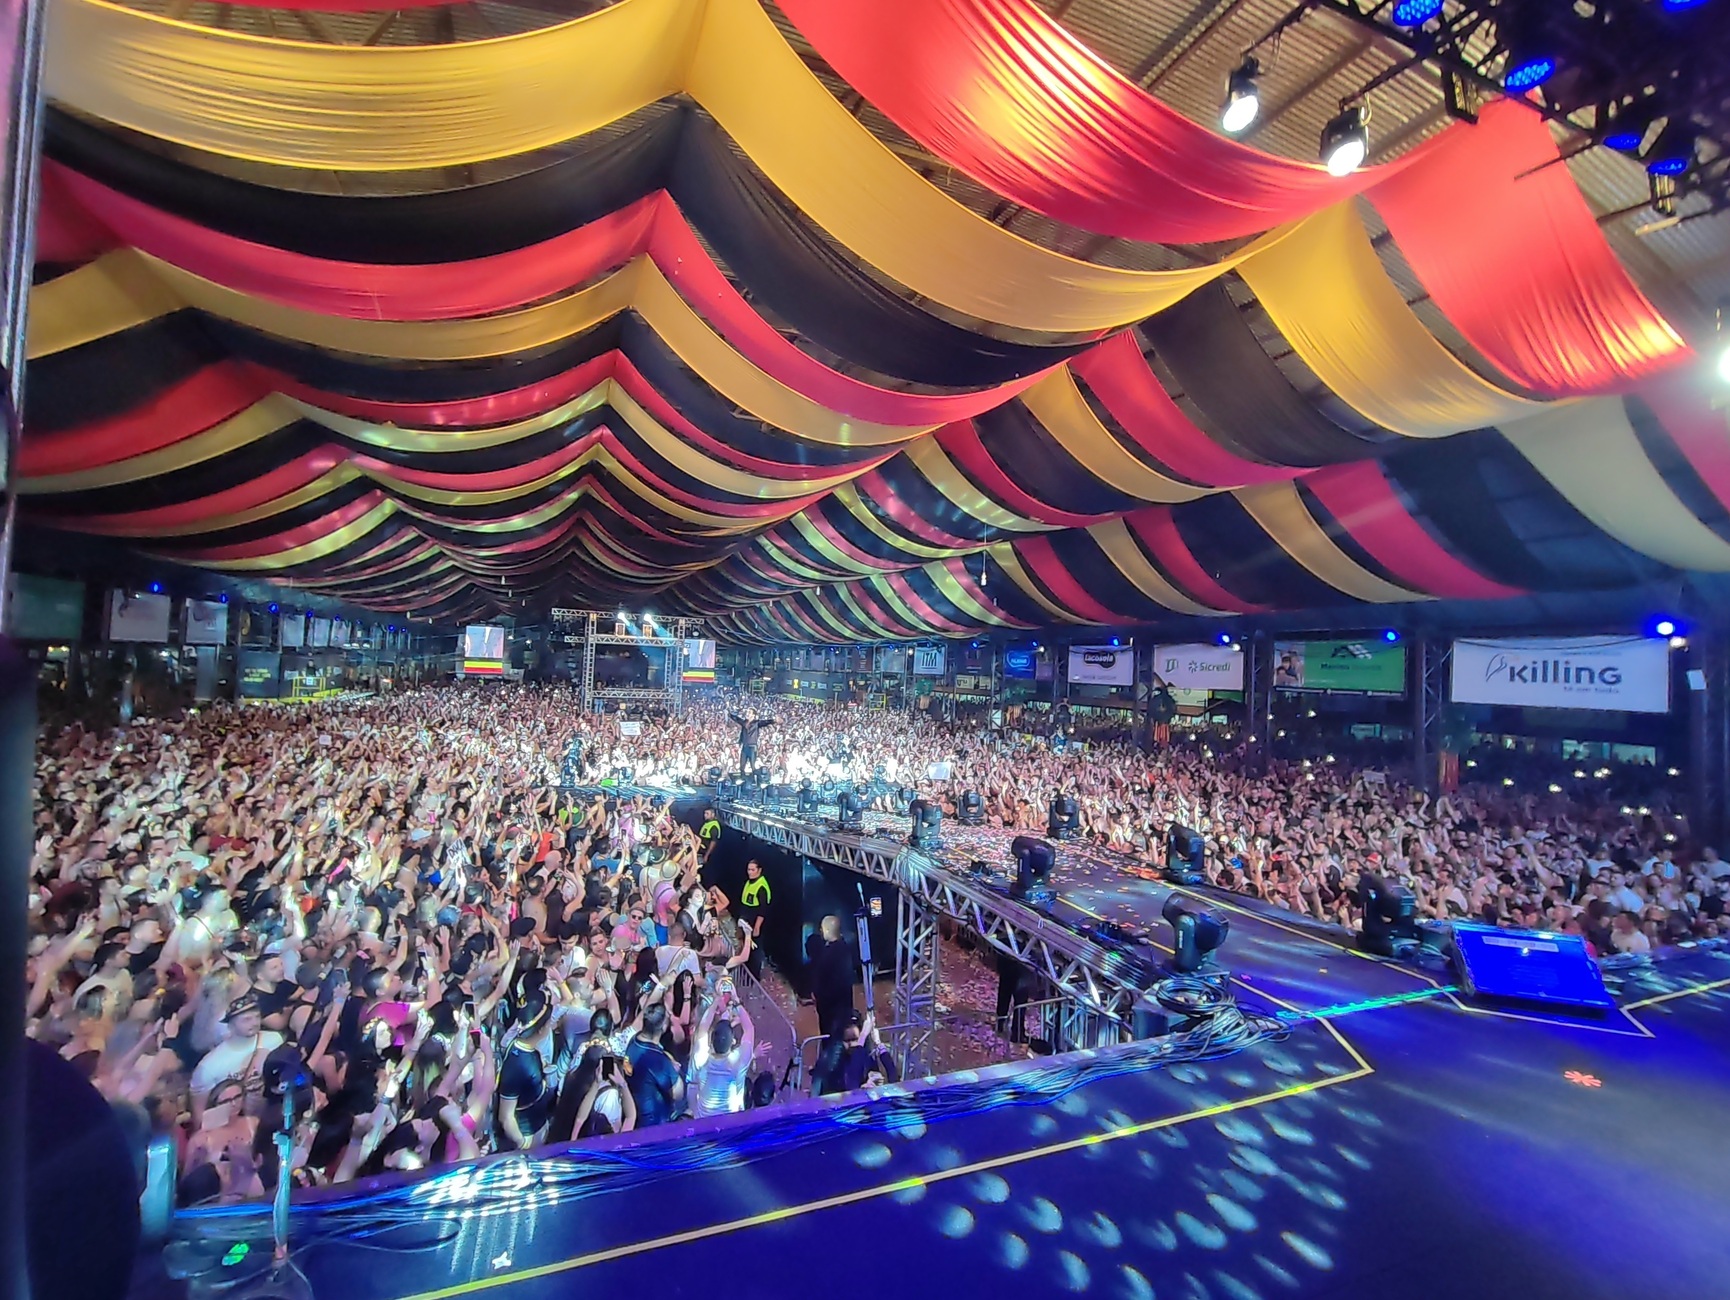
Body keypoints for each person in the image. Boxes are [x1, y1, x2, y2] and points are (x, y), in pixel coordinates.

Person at [496, 998, 558, 1151]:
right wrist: (523, 1143)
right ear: (541, 1030)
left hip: (538, 1121)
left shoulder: (523, 1046)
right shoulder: (518, 1065)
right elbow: (505, 1116)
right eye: (548, 1023)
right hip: (528, 1133)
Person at [688, 984, 754, 1118]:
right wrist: (736, 1000)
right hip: (730, 1124)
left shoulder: (701, 1058)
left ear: (711, 1040)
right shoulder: (738, 1061)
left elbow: (702, 1029)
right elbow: (749, 1029)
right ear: (733, 1042)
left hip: (703, 1123)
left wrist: (715, 1002)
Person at [625, 1004, 685, 1127]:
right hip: (653, 1123)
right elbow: (678, 1094)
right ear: (663, 1026)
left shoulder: (634, 1041)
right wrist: (675, 1071)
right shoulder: (658, 1061)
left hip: (635, 1110)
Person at [806, 915, 855, 1036]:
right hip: (842, 1004)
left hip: (830, 1007)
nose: (821, 931)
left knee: (830, 1036)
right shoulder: (845, 948)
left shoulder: (827, 955)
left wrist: (817, 994)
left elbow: (824, 978)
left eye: (822, 928)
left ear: (827, 930)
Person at [737, 860, 772, 980]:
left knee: (755, 950)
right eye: (748, 870)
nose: (750, 872)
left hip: (754, 923)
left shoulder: (762, 887)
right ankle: (745, 972)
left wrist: (757, 926)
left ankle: (754, 977)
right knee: (745, 947)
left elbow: (763, 910)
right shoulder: (749, 882)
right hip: (745, 920)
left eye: (752, 870)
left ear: (759, 870)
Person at [727, 709, 776, 777]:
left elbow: (765, 722)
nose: (747, 713)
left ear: (753, 715)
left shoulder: (756, 723)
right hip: (745, 746)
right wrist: (730, 715)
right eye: (747, 712)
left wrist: (773, 721)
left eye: (749, 712)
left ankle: (755, 780)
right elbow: (737, 719)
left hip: (752, 747)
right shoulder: (744, 722)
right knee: (742, 766)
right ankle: (743, 780)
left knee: (752, 766)